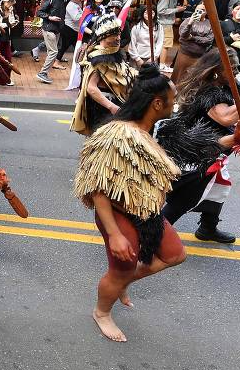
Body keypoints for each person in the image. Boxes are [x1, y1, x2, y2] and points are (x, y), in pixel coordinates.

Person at [74, 64, 188, 342]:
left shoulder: (150, 129)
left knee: (174, 255)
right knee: (119, 270)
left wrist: (234, 139)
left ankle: (124, 282)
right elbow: (97, 188)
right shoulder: (116, 135)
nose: (176, 104)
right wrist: (114, 235)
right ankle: (102, 312)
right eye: (172, 100)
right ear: (157, 103)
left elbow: (192, 145)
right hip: (116, 215)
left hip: (146, 212)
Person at [166, 48, 240, 242]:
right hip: (197, 151)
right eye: (232, 68)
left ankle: (207, 228)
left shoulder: (232, 86)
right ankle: (154, 232)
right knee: (186, 196)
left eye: (237, 68)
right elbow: (225, 117)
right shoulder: (207, 89)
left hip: (217, 150)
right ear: (217, 69)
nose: (236, 72)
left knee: (218, 187)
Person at [71, 13, 136, 135]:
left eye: (118, 34)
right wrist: (111, 107)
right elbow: (91, 88)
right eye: (113, 35)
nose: (118, 38)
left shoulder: (114, 54)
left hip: (115, 106)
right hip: (102, 109)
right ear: (102, 37)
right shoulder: (97, 58)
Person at [171, 4, 213, 84]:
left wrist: (192, 38)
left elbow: (209, 40)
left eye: (203, 10)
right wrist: (190, 23)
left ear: (206, 12)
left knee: (192, 79)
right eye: (198, 10)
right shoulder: (187, 20)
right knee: (179, 77)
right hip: (185, 54)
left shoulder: (209, 24)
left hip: (199, 56)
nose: (200, 12)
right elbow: (183, 35)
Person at [36, 0, 67, 84]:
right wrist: (50, 17)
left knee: (51, 52)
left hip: (57, 29)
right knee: (54, 52)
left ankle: (44, 73)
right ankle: (42, 73)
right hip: (49, 28)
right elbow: (39, 12)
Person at [156, 0, 186, 73]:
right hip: (165, 24)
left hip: (166, 23)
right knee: (166, 44)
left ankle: (161, 64)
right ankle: (162, 65)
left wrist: (176, 8)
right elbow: (160, 10)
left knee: (164, 44)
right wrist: (177, 10)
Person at [58, 0, 84, 68]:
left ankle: (57, 61)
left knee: (65, 46)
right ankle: (80, 62)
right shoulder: (71, 5)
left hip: (73, 29)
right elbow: (76, 18)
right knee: (77, 46)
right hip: (69, 29)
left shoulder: (77, 4)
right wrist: (85, 15)